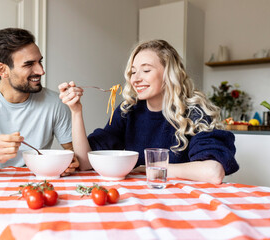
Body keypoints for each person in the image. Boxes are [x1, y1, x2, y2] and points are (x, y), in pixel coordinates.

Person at [58, 39, 239, 184]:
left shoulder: (194, 113)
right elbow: (85, 162)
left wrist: (149, 168)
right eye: (133, 72)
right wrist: (76, 111)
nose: (135, 79)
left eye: (145, 70)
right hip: (138, 201)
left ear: (169, 74)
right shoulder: (128, 111)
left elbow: (213, 172)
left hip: (181, 204)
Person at [0, 28, 79, 175]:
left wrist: (70, 163)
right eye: (29, 64)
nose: (41, 71)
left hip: (38, 184)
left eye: (40, 62)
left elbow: (75, 155)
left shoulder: (55, 102)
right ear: (3, 70)